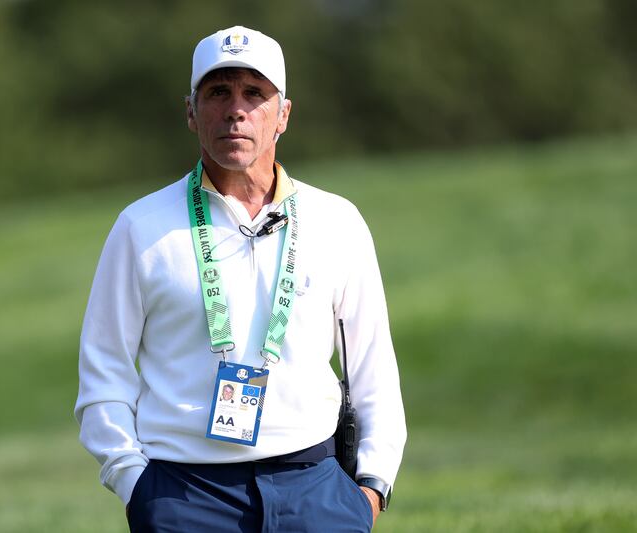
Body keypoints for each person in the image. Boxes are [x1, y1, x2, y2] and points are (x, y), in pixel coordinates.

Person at [75, 25, 406, 532]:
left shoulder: (336, 221)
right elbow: (103, 372)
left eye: (255, 93)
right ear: (191, 111)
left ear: (283, 116)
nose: (236, 109)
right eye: (218, 93)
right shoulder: (141, 228)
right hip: (184, 494)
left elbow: (374, 368)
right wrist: (135, 485)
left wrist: (371, 489)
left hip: (314, 485)